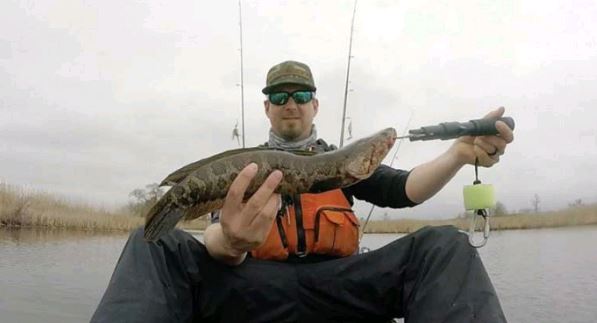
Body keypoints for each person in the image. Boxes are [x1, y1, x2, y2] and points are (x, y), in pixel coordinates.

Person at [92, 60, 514, 322]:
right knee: (153, 244)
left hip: (340, 287)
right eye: (279, 96)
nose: (290, 102)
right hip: (252, 287)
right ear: (267, 108)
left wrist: (459, 154)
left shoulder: (342, 163)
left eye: (301, 94)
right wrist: (232, 242)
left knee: (444, 246)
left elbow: (404, 189)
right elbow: (216, 237)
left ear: (315, 105)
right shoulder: (251, 166)